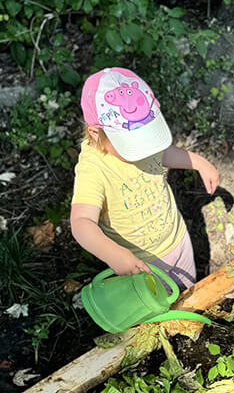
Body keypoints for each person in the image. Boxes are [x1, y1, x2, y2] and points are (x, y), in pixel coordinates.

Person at [70, 67, 219, 289]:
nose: (144, 148)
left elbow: (164, 153)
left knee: (189, 293)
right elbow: (81, 223)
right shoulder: (94, 168)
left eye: (146, 138)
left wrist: (198, 162)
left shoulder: (145, 141)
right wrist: (113, 255)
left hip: (176, 237)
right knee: (161, 312)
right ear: (95, 133)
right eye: (133, 143)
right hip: (141, 263)